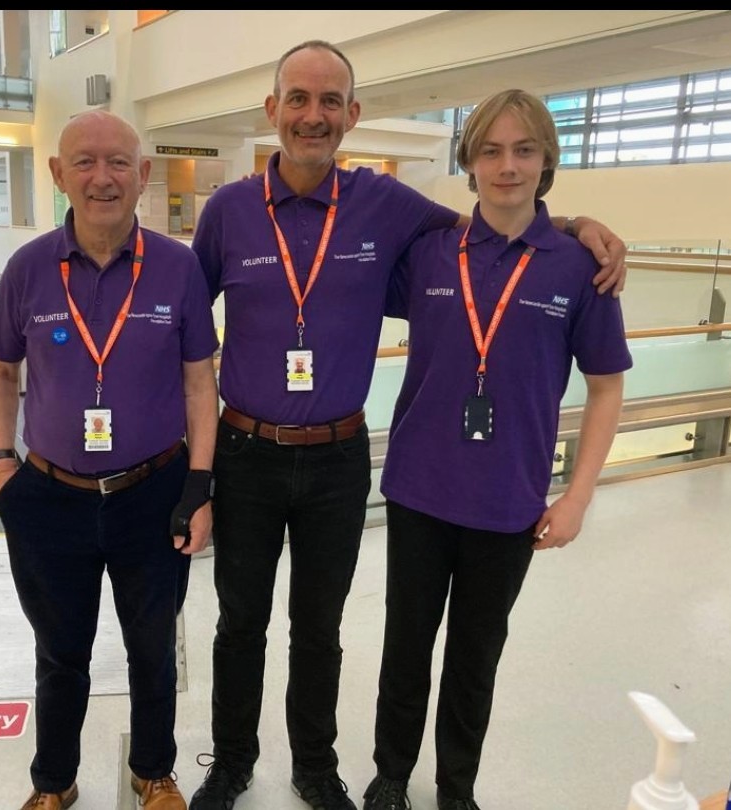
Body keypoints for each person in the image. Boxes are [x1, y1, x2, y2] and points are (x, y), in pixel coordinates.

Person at [188, 40, 628, 810]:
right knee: (239, 625)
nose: (313, 116)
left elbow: (494, 221)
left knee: (319, 630)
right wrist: (191, 469)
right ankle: (231, 762)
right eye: (298, 99)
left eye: (330, 102)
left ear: (352, 116)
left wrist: (581, 224)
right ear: (273, 111)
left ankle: (317, 768)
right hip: (247, 450)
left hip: (337, 457)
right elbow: (189, 343)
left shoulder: (389, 208)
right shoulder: (227, 212)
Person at [361, 89, 632, 810]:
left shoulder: (580, 267)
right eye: (490, 150)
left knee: (475, 658)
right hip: (419, 489)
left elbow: (606, 388)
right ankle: (391, 775)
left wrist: (577, 496)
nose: (506, 166)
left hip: (509, 502)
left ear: (546, 161)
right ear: (469, 161)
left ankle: (456, 790)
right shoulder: (427, 254)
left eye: (524, 150)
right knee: (405, 648)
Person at [0, 110, 220, 810]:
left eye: (118, 162)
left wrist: (199, 486)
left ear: (143, 175)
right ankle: (53, 783)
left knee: (152, 650)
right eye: (84, 162)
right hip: (50, 498)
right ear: (58, 174)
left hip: (154, 491)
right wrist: (1, 466)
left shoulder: (176, 267)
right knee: (60, 654)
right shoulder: (29, 269)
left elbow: (199, 381)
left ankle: (154, 772)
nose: (102, 177)